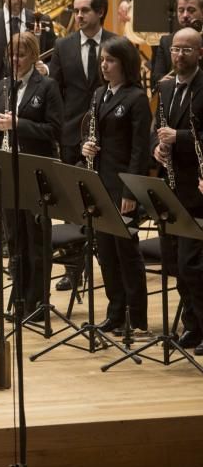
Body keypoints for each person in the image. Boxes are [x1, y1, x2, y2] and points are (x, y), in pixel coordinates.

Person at [80, 37, 151, 337]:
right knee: (106, 252)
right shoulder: (99, 94)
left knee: (127, 253)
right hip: (100, 183)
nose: (104, 65)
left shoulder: (136, 98)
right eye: (102, 60)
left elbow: (140, 150)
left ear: (125, 63)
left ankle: (137, 319)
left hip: (122, 187)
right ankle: (114, 312)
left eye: (110, 60)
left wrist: (131, 192)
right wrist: (87, 147)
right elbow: (94, 133)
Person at [0, 32, 63, 316]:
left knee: (37, 240)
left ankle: (39, 303)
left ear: (33, 56)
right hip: (8, 170)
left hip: (36, 171)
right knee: (14, 239)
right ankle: (19, 300)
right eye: (12, 55)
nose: (15, 60)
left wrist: (20, 124)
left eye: (21, 55)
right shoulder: (4, 86)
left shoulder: (47, 86)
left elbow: (54, 131)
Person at [152, 28, 203, 356]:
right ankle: (193, 326)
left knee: (192, 265)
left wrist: (179, 137)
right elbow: (155, 131)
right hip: (172, 188)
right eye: (175, 50)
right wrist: (157, 149)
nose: (179, 55)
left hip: (199, 189)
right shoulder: (165, 87)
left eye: (186, 49)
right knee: (175, 264)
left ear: (200, 52)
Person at [49, 0, 116, 166]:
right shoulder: (62, 45)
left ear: (100, 12)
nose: (78, 15)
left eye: (85, 10)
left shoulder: (116, 44)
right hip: (70, 133)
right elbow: (54, 90)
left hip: (107, 132)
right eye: (76, 11)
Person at [150, 0, 203, 88]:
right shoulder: (166, 41)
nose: (185, 15)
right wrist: (162, 81)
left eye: (191, 10)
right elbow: (156, 77)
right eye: (181, 10)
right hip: (173, 91)